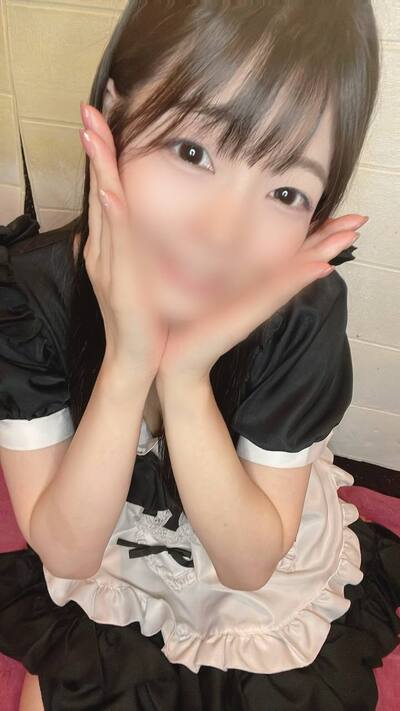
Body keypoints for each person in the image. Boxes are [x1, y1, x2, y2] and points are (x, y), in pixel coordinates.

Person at [0, 1, 399, 709]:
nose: (222, 235)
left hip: (253, 579)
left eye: (284, 191)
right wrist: (128, 364)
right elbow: (68, 552)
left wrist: (185, 378)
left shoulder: (301, 314)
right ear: (113, 112)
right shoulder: (29, 296)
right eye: (193, 152)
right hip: (110, 556)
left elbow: (249, 565)